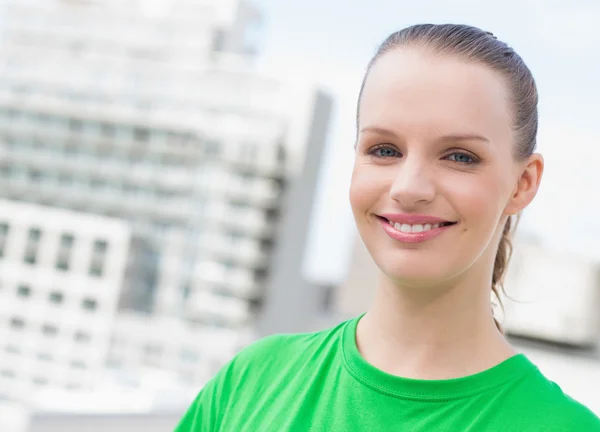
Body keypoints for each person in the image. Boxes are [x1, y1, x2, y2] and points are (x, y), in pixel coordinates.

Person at [176, 24, 600, 431]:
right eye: (384, 149)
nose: (409, 188)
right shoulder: (250, 382)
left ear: (523, 183)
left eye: (460, 156)